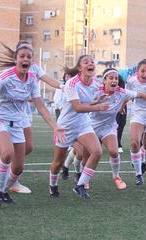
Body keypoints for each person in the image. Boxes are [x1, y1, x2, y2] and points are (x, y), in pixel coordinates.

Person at [0, 41, 65, 207]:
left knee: (18, 169)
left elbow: (40, 105)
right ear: (16, 59)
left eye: (29, 57)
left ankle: (4, 190)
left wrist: (55, 126)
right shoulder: (5, 77)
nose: (25, 59)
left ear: (32, 61)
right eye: (22, 56)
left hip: (17, 124)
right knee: (7, 153)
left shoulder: (31, 79)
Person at [0, 41, 63, 194]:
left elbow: (49, 80)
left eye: (29, 53)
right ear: (17, 56)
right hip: (7, 113)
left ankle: (5, 170)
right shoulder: (10, 73)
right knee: (10, 151)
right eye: (23, 53)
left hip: (23, 111)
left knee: (27, 147)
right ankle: (11, 179)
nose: (27, 57)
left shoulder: (34, 67)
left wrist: (63, 86)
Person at [90, 67, 146, 189]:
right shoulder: (96, 91)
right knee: (83, 154)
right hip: (92, 126)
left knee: (115, 152)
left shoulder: (121, 92)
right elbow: (83, 104)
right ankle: (78, 173)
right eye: (111, 78)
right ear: (104, 80)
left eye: (116, 78)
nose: (114, 80)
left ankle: (117, 176)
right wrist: (97, 102)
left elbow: (140, 95)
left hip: (109, 127)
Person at [48, 55, 108, 199]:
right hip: (66, 127)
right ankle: (53, 186)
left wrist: (96, 101)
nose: (90, 64)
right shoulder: (71, 83)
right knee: (58, 163)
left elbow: (86, 103)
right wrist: (98, 107)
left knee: (97, 152)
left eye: (92, 62)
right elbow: (77, 107)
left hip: (82, 124)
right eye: (86, 62)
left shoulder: (95, 83)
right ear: (80, 68)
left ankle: (80, 185)